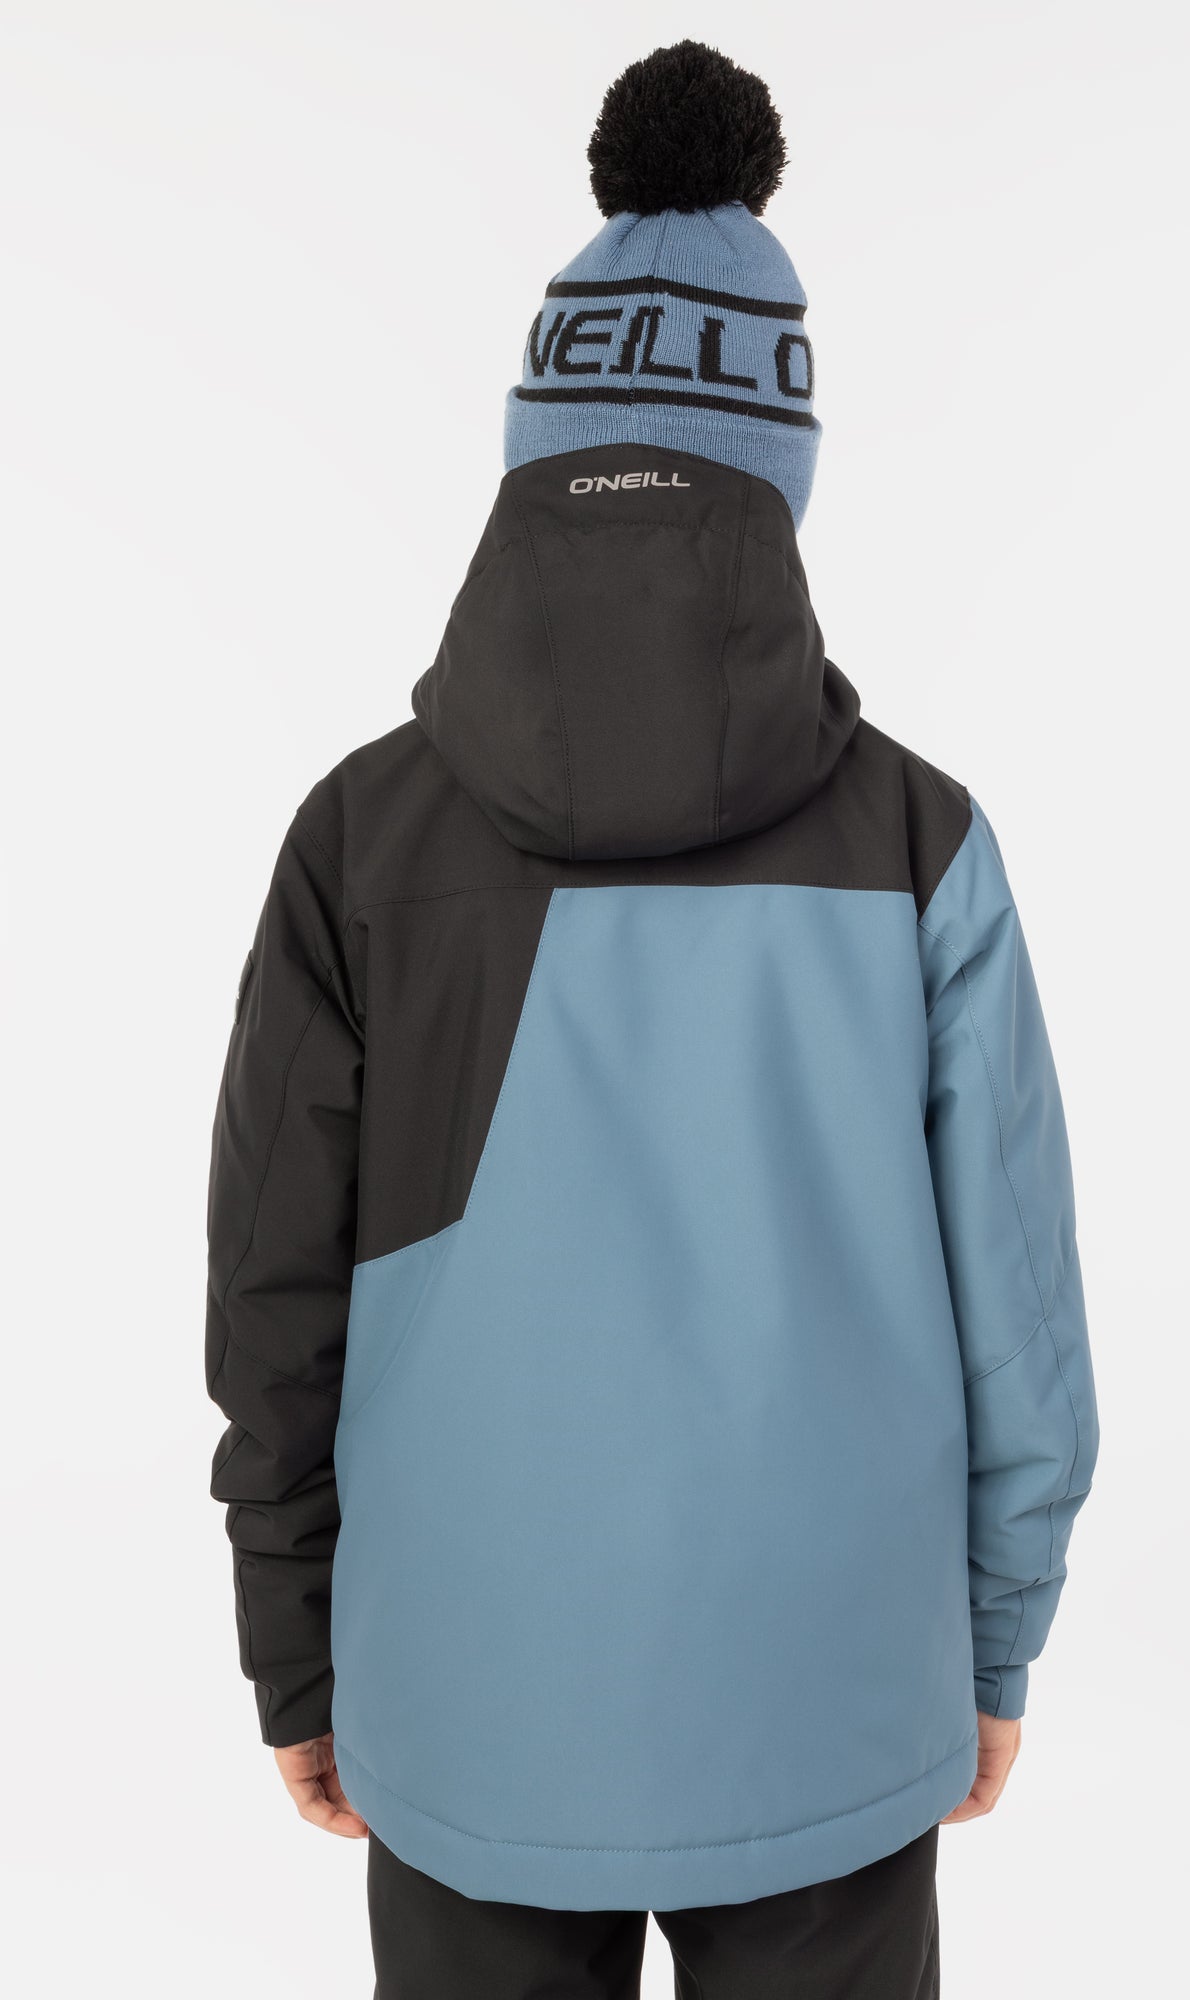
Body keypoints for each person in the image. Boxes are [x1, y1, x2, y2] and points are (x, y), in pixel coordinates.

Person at [206, 40, 1099, 1999]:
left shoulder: (360, 840)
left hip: (468, 1706)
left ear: (530, 449)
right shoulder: (922, 846)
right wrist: (991, 1638)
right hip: (832, 1705)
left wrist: (296, 1645)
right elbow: (1021, 1314)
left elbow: (274, 1289)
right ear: (781, 476)